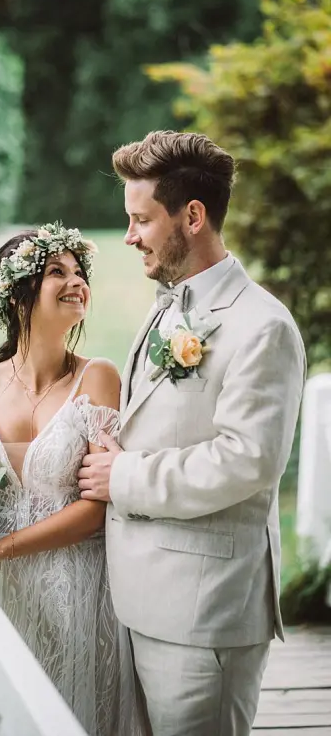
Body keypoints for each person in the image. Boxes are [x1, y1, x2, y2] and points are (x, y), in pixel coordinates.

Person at [78, 130, 306, 736]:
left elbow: (247, 461)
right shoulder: (167, 306)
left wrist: (121, 475)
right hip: (144, 599)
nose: (130, 236)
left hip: (205, 614)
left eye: (141, 220)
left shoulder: (263, 328)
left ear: (193, 216)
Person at [0, 223, 145, 735]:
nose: (76, 282)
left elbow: (98, 506)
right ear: (17, 294)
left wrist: (2, 546)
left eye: (80, 273)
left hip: (77, 591)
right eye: (58, 272)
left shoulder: (97, 377)